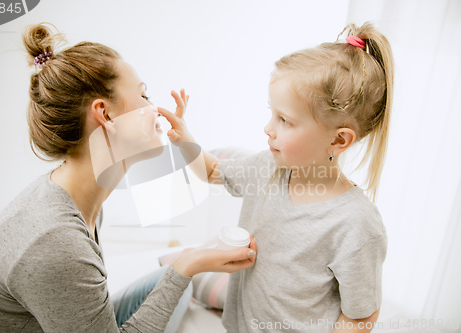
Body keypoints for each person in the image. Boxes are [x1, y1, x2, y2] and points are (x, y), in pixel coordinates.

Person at [0, 23, 257, 333]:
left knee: (177, 280)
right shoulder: (56, 241)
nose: (156, 108)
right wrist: (186, 268)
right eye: (144, 95)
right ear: (105, 114)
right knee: (179, 275)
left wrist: (187, 263)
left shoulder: (76, 197)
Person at [158, 21, 392, 332]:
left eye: (285, 120)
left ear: (338, 140)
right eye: (272, 113)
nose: (268, 129)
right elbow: (214, 171)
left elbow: (361, 317)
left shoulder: (356, 225)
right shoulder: (267, 168)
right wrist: (185, 138)